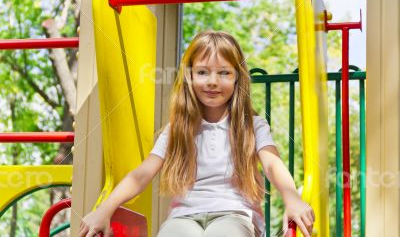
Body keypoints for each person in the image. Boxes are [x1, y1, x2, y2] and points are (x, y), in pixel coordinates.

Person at [78, 30, 315, 237]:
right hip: (184, 216)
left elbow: (273, 165)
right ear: (189, 77)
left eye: (224, 73)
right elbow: (141, 175)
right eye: (202, 72)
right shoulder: (178, 129)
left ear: (237, 79)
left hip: (234, 213)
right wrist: (105, 209)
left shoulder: (251, 125)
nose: (212, 81)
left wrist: (291, 197)